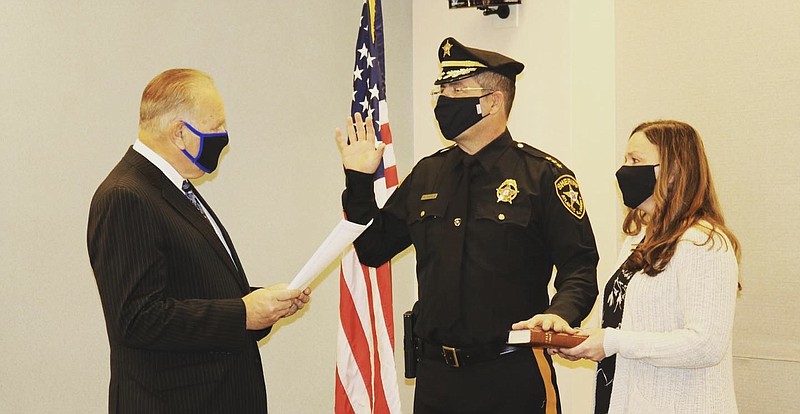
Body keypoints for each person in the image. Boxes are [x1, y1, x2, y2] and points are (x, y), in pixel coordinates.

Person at [334, 38, 599, 414]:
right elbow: (373, 248)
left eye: (457, 89)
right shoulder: (428, 174)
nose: (444, 98)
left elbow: (580, 268)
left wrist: (560, 314)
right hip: (437, 381)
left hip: (510, 376)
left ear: (492, 102)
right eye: (442, 89)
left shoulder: (542, 177)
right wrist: (358, 182)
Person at [87, 68, 310, 414]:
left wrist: (262, 305)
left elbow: (193, 291)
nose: (225, 137)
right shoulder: (126, 196)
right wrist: (242, 313)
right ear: (179, 132)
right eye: (216, 127)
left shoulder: (175, 189)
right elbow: (137, 319)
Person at [557, 120, 741, 413]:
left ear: (673, 171)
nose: (624, 170)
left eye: (635, 161)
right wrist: (581, 338)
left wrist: (614, 341)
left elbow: (706, 344)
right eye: (625, 159)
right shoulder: (638, 239)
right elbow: (629, 325)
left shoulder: (704, 243)